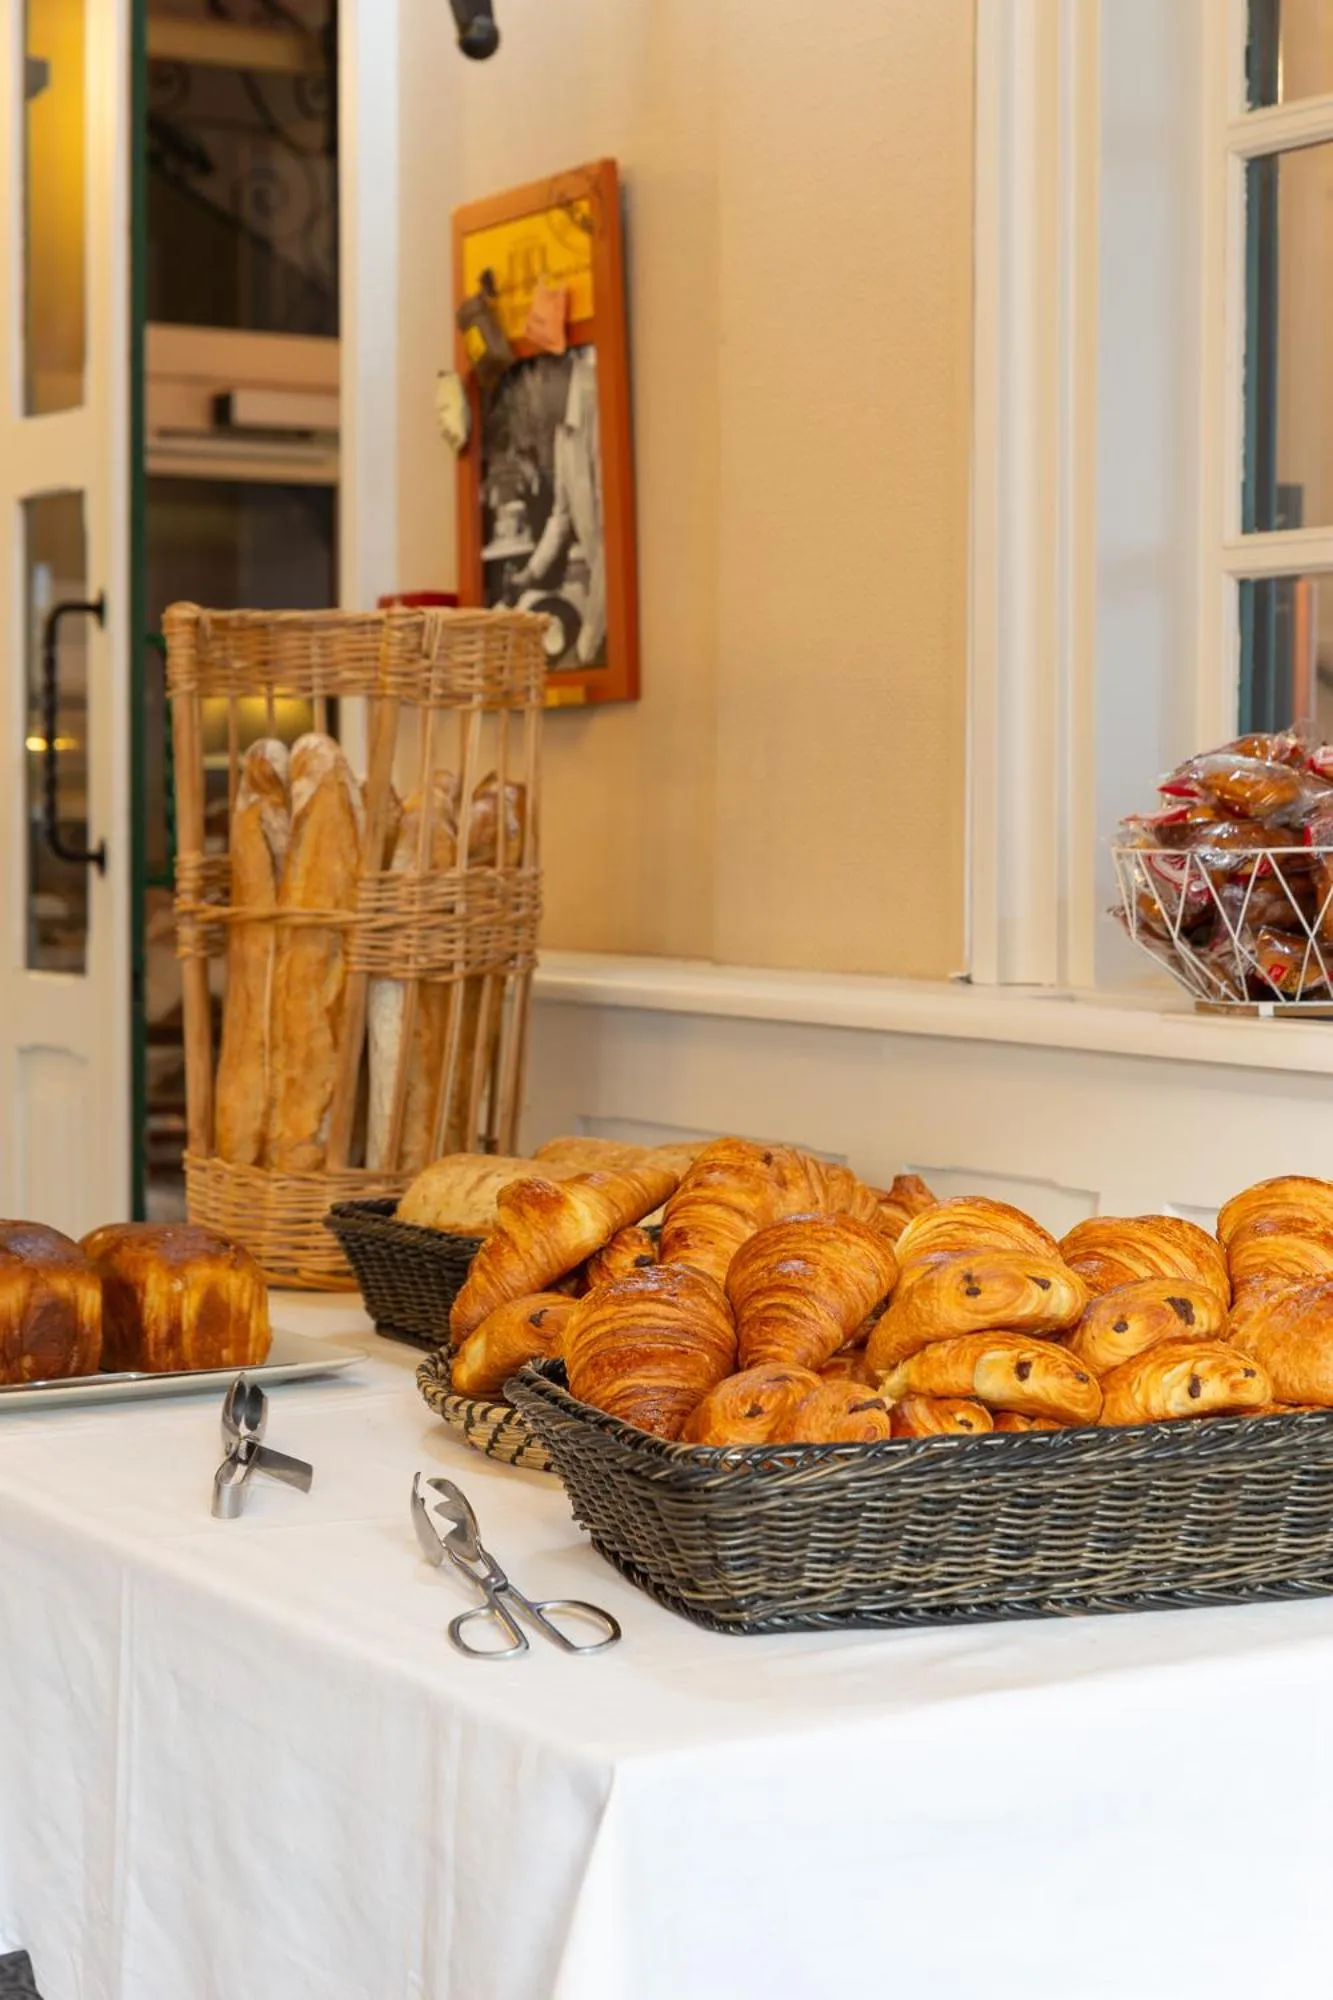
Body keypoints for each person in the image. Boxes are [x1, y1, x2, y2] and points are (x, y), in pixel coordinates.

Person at [512, 349, 606, 666]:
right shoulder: (561, 425)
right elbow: (561, 517)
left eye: (529, 389)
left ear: (548, 374)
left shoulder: (599, 402)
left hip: (613, 599)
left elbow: (613, 544)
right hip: (601, 592)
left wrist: (585, 648)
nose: (530, 405)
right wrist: (530, 573)